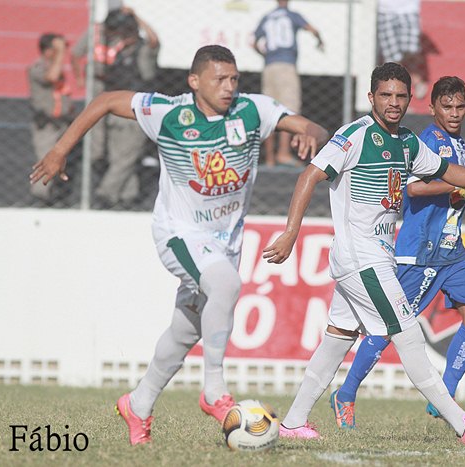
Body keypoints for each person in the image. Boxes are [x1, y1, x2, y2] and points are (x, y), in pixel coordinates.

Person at [30, 45, 328, 446]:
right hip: (180, 234)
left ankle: (138, 403)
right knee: (224, 285)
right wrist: (59, 150)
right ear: (194, 82)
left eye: (234, 79)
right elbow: (103, 101)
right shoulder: (168, 113)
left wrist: (312, 134)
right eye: (219, 79)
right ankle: (214, 391)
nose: (229, 87)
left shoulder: (252, 110)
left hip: (226, 241)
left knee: (186, 329)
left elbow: (316, 130)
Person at [262, 62, 465, 443]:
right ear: (371, 98)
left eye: (400, 96)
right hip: (360, 257)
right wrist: (290, 233)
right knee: (408, 334)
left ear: (409, 100)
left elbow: (447, 171)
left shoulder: (407, 142)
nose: (393, 102)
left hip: (374, 257)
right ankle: (462, 422)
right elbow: (310, 175)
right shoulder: (355, 135)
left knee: (337, 338)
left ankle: (293, 422)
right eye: (385, 95)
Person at [329, 76, 465, 429]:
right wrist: (457, 185)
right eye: (446, 107)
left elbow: (448, 191)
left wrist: (464, 196)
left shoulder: (458, 142)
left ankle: (445, 396)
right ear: (431, 108)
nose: (454, 113)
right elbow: (412, 188)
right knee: (388, 329)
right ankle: (346, 393)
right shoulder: (426, 140)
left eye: (460, 106)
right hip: (420, 253)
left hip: (451, 251)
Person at [71, 7, 160, 207]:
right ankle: (128, 196)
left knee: (127, 157)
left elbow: (154, 40)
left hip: (136, 110)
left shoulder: (143, 50)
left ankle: (105, 193)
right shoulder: (117, 53)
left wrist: (136, 16)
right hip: (116, 112)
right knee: (118, 156)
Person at [253, 0, 324, 167]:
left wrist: (263, 54)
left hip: (269, 65)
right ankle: (283, 153)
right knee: (288, 107)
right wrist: (319, 40)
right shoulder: (292, 15)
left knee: (269, 108)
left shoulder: (267, 17)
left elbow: (254, 41)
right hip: (286, 64)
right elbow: (312, 29)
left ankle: (269, 158)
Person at [27, 32, 75, 203]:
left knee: (61, 162)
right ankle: (39, 197)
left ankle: (54, 196)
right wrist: (60, 52)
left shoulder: (56, 68)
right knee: (45, 160)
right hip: (47, 125)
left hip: (62, 124)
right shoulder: (38, 67)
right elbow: (51, 77)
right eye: (56, 50)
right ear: (48, 51)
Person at [376, 0, 428, 99]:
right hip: (385, 9)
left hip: (409, 8)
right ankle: (397, 87)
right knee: (391, 55)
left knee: (412, 50)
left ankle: (416, 80)